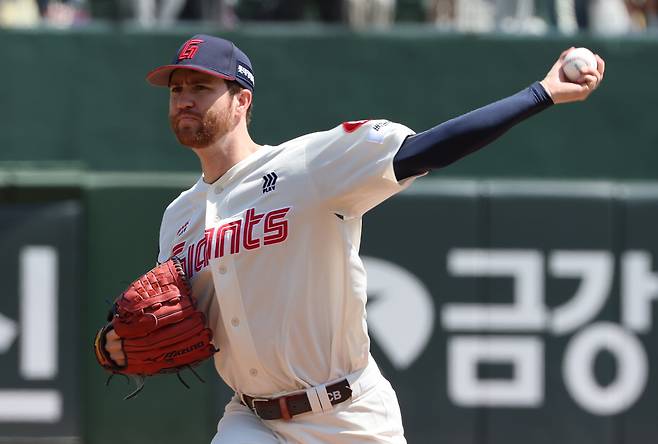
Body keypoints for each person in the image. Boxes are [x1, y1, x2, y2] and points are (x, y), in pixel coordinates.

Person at [103, 34, 604, 443]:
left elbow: (427, 149)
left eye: (201, 85)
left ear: (241, 101)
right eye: (176, 89)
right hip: (254, 423)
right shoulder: (178, 218)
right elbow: (169, 315)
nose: (185, 98)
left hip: (352, 415)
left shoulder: (308, 166)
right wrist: (118, 342)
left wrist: (541, 93)